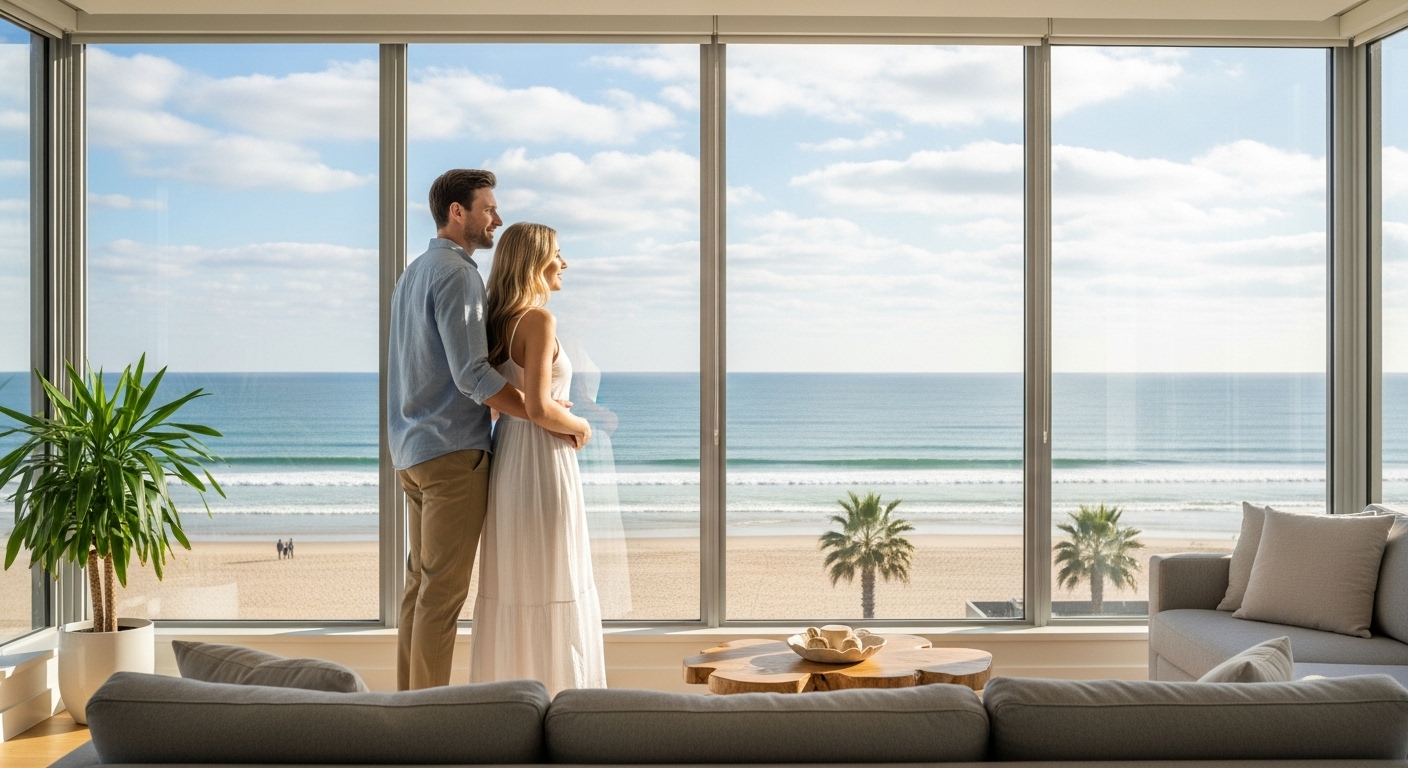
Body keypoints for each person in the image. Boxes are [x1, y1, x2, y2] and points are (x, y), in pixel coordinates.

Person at [388, 171, 587, 691]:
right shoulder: (458, 274)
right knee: (442, 596)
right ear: (459, 212)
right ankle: (424, 718)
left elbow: (415, 366)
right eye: (487, 208)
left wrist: (524, 407)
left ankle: (407, 704)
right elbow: (473, 376)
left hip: (411, 449)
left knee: (419, 588)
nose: (495, 218)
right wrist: (545, 415)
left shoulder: (413, 273)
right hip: (453, 454)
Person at [469, 222, 604, 696]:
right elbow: (538, 407)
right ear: (535, 261)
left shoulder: (494, 320)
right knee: (554, 574)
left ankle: (506, 701)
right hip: (543, 460)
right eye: (558, 254)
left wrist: (546, 410)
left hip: (509, 458)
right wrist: (582, 426)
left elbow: (498, 397)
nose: (564, 263)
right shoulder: (538, 320)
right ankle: (564, 701)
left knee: (517, 580)